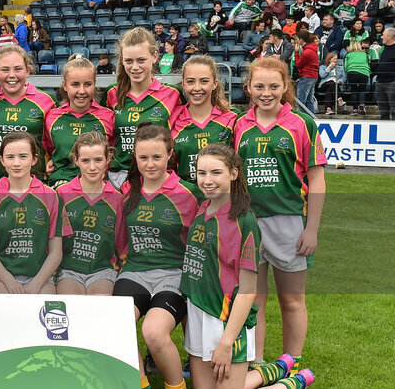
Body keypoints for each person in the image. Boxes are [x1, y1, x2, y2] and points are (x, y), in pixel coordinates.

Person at [183, 144, 316, 389]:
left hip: (227, 320)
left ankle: (291, 383)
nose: (207, 180)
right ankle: (270, 371)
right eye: (201, 173)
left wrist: (226, 343)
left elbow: (247, 291)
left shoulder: (245, 223)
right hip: (198, 314)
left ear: (234, 173)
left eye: (216, 173)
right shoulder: (202, 207)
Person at [234, 57, 326, 369]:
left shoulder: (302, 124)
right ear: (249, 87)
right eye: (259, 86)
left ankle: (292, 365)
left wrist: (311, 229)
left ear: (285, 86)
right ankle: (257, 364)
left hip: (289, 224)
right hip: (248, 223)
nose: (266, 93)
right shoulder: (239, 124)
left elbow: (317, 179)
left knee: (292, 300)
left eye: (274, 86)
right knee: (253, 301)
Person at [113, 123, 201, 389]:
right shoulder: (128, 191)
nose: (150, 164)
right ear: (135, 157)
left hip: (173, 275)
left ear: (170, 155)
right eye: (143, 158)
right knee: (119, 324)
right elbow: (120, 237)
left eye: (157, 157)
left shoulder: (188, 194)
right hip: (135, 272)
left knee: (153, 331)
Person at [0, 132, 69, 294]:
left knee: (43, 306)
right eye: (10, 157)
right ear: (2, 160)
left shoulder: (51, 196)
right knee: (4, 304)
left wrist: (37, 283)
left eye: (23, 156)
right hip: (1, 276)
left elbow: (56, 251)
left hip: (41, 277)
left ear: (34, 159)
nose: (16, 163)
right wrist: (8, 281)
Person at [107, 27, 183, 188]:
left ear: (154, 57)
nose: (135, 67)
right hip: (119, 176)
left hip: (156, 174)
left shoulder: (172, 93)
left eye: (141, 60)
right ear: (122, 60)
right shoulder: (112, 93)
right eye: (129, 61)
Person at [55, 132, 124, 296]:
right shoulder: (62, 194)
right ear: (76, 160)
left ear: (108, 159)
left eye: (98, 160)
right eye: (85, 160)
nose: (92, 167)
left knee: (98, 307)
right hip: (68, 271)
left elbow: (121, 245)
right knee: (72, 306)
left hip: (103, 271)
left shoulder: (117, 199)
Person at [0, 45, 56, 185]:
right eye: (5, 70)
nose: (12, 75)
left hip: (36, 184)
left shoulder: (46, 100)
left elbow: (56, 143)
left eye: (18, 69)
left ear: (28, 71)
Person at [43, 55, 114, 186]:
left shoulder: (108, 116)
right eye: (75, 84)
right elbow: (50, 150)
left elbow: (111, 152)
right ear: (65, 85)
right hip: (61, 181)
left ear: (94, 84)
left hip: (98, 183)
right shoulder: (52, 117)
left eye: (87, 84)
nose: (81, 91)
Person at [171, 55, 237, 185]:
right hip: (185, 196)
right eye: (190, 81)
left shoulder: (233, 118)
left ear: (215, 84)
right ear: (183, 84)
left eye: (204, 81)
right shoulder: (172, 121)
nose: (197, 88)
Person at [293, 30, 320, 114]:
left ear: (301, 39)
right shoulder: (312, 49)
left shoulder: (306, 52)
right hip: (313, 76)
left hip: (307, 76)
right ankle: (311, 117)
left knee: (301, 101)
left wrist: (296, 52)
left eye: (297, 39)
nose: (297, 41)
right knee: (309, 100)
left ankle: (304, 118)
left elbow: (298, 64)